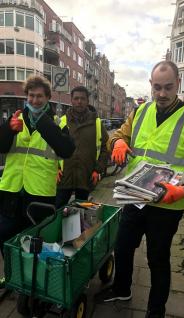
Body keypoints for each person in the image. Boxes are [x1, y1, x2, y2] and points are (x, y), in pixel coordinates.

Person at [95, 61, 184, 318]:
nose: (162, 94)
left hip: (168, 203)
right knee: (123, 246)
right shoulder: (140, 112)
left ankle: (156, 312)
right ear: (151, 85)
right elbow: (119, 134)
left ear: (178, 86)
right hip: (135, 196)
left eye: (168, 87)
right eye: (157, 87)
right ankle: (122, 289)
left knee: (157, 259)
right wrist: (116, 142)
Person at [0, 75, 75, 289]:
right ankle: (12, 275)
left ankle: (33, 281)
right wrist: (8, 129)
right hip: (11, 190)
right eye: (31, 96)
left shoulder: (57, 122)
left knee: (34, 242)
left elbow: (67, 150)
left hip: (39, 194)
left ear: (48, 97)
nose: (34, 100)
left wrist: (42, 123)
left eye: (39, 96)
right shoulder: (16, 119)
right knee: (5, 236)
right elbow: (2, 147)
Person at [55, 86, 109, 207]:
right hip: (64, 177)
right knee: (57, 210)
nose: (79, 101)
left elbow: (106, 148)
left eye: (83, 99)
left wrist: (97, 170)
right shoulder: (61, 121)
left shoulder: (96, 123)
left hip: (86, 177)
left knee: (81, 212)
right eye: (76, 98)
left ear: (87, 101)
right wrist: (55, 168)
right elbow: (52, 147)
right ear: (71, 100)